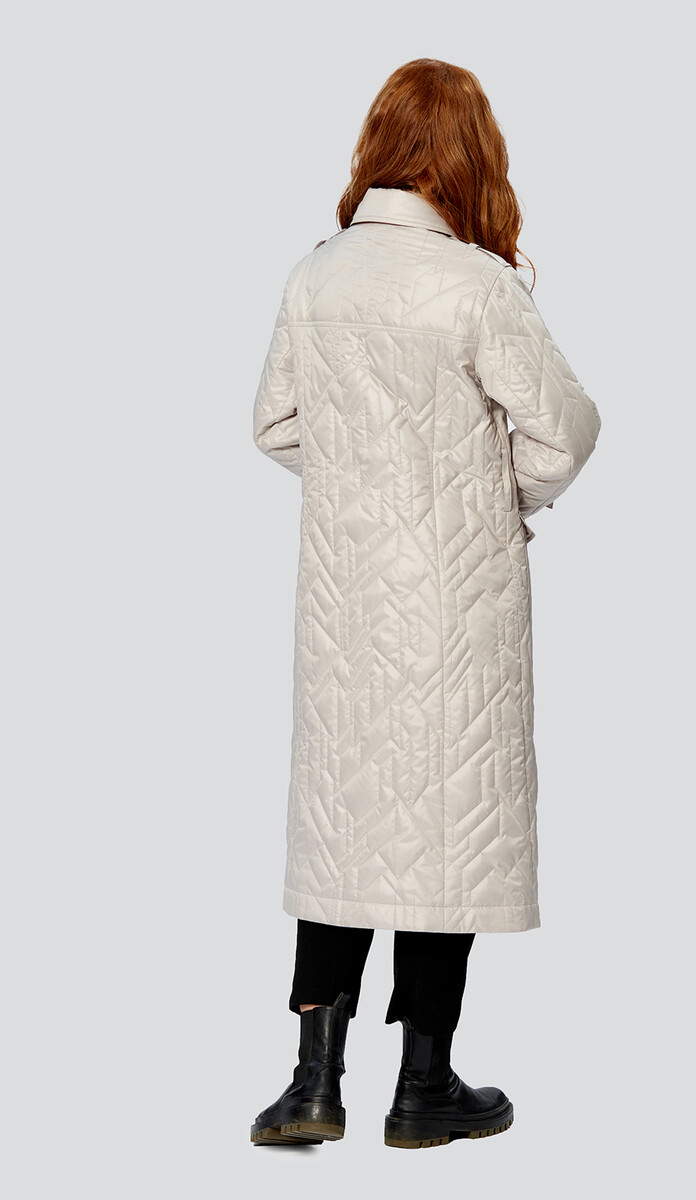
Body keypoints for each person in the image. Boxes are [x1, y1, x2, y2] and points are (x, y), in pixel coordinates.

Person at [249, 58, 602, 1151]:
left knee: (343, 817)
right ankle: (423, 1086)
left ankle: (311, 1083)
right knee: (449, 821)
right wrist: (491, 497)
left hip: (345, 600)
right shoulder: (477, 288)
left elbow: (275, 425)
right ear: (469, 155)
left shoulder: (315, 278)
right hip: (459, 597)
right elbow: (565, 432)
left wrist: (363, 487)